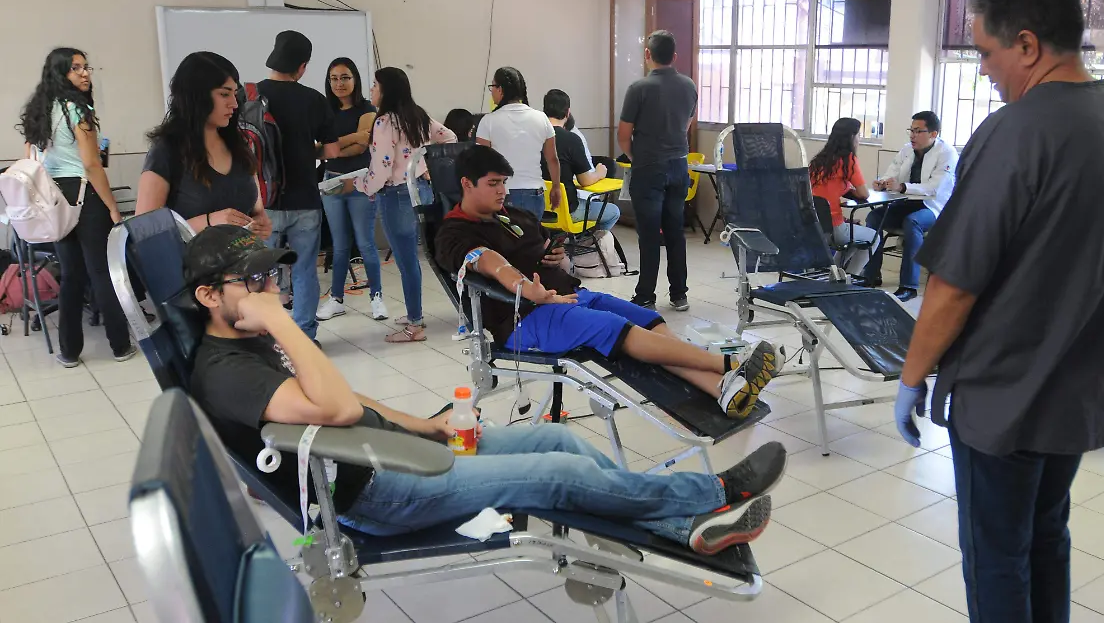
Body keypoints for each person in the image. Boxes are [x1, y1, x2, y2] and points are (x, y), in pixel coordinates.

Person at [184, 224, 782, 555]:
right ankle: (714, 490)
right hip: (376, 494)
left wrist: (425, 424)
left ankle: (688, 528)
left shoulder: (249, 340)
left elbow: (352, 403)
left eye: (272, 276)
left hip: (395, 451)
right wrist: (284, 319)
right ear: (209, 296)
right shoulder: (227, 370)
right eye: (253, 281)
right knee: (556, 479)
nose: (270, 288)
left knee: (557, 443)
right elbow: (338, 408)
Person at [893, 0, 1104, 623]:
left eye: (986, 53)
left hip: (1004, 395)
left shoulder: (1015, 130)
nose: (983, 70)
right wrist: (1094, 319)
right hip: (1080, 389)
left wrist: (912, 376)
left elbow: (954, 284)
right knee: (1048, 534)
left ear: (1026, 44)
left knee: (995, 555)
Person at [435, 146, 779, 419]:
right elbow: (488, 261)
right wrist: (526, 287)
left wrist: (555, 256)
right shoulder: (454, 230)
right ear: (467, 183)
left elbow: (547, 244)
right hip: (526, 318)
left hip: (572, 296)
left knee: (647, 322)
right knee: (619, 331)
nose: (502, 191)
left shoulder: (514, 215)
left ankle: (723, 390)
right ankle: (730, 364)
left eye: (503, 182)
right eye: (493, 184)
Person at [17, 47, 133, 367]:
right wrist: (112, 206)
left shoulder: (39, 113)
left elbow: (31, 160)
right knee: (101, 273)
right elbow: (93, 165)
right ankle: (120, 345)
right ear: (60, 74)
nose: (84, 73)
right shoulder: (77, 111)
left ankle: (68, 351)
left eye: (86, 67)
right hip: (85, 194)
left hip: (53, 198)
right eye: (75, 69)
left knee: (71, 276)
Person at [355, 67, 457, 342]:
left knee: (406, 261)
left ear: (386, 89)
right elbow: (449, 137)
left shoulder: (385, 122)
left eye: (375, 85)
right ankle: (416, 314)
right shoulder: (417, 115)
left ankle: (415, 325)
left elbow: (382, 169)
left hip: (396, 196)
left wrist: (361, 185)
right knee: (416, 258)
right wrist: (423, 165)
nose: (371, 91)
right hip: (420, 192)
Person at [256, 30, 340, 343]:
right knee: (305, 271)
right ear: (302, 67)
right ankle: (305, 337)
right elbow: (331, 152)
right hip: (305, 200)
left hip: (264, 202)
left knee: (262, 273)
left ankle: (268, 336)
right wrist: (308, 152)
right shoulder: (314, 100)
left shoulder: (251, 96)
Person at [137, 51, 271, 241]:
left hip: (243, 266)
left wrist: (261, 223)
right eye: (224, 94)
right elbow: (144, 229)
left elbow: (257, 210)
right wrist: (207, 221)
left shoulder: (238, 145)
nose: (234, 104)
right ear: (196, 96)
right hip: (192, 268)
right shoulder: (167, 150)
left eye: (234, 94)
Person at [618, 30, 698, 312]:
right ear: (674, 57)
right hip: (679, 165)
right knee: (675, 232)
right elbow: (686, 123)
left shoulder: (638, 89)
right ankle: (679, 294)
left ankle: (646, 296)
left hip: (648, 167)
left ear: (647, 55)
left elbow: (623, 134)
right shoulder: (689, 86)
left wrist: (636, 156)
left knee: (649, 234)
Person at [315, 57, 387, 323]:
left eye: (345, 77)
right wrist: (353, 137)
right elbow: (318, 150)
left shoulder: (367, 108)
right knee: (340, 244)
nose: (339, 83)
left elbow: (361, 147)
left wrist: (337, 144)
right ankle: (336, 298)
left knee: (366, 242)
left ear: (355, 79)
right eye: (334, 78)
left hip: (360, 181)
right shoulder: (324, 111)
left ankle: (376, 297)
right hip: (331, 181)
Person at [860, 111, 959, 301]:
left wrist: (903, 187)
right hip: (906, 202)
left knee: (912, 222)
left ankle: (909, 286)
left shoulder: (947, 153)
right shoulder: (907, 149)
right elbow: (892, 172)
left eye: (918, 131)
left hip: (934, 207)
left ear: (933, 134)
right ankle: (871, 274)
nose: (913, 135)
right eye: (911, 131)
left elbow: (935, 188)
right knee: (874, 217)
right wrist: (882, 182)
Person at [476, 67, 562, 218]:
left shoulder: (488, 121)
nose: (491, 92)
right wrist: (556, 187)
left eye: (492, 87)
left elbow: (481, 163)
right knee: (531, 240)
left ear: (500, 89)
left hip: (502, 194)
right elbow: (552, 159)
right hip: (534, 194)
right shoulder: (541, 118)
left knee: (504, 241)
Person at [541, 89, 620, 232]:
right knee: (613, 211)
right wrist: (599, 173)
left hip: (539, 210)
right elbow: (585, 180)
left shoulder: (533, 136)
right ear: (568, 112)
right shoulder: (571, 139)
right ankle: (589, 243)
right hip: (568, 211)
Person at [807, 117, 876, 277]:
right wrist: (849, 188)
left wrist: (845, 187)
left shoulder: (818, 161)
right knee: (873, 237)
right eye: (858, 135)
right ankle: (851, 278)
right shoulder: (848, 161)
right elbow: (864, 194)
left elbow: (825, 188)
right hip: (834, 228)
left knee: (853, 241)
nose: (859, 139)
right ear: (851, 137)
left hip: (814, 227)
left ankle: (836, 276)